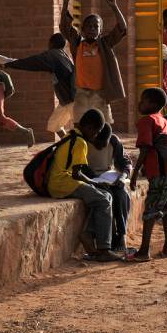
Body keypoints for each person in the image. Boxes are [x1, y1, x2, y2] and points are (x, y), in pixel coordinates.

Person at [46, 108, 125, 262]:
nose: (95, 137)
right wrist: (95, 183)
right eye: (96, 133)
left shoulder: (71, 134)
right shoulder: (81, 142)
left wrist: (95, 185)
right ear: (89, 128)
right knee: (103, 200)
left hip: (60, 181)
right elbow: (77, 174)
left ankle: (88, 233)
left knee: (107, 195)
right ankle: (104, 248)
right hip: (63, 182)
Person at [60, 0, 128, 124]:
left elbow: (122, 27)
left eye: (95, 26)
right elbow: (65, 27)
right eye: (88, 26)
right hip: (81, 93)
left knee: (103, 126)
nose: (92, 28)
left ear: (100, 30)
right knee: (79, 125)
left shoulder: (105, 43)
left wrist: (114, 6)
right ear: (83, 30)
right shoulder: (77, 42)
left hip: (100, 94)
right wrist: (65, 3)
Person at [128, 88, 167, 261]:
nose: (139, 103)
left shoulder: (147, 121)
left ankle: (143, 251)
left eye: (143, 100)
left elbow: (145, 149)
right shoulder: (163, 120)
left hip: (159, 172)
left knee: (151, 210)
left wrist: (134, 175)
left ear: (153, 104)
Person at [5, 33, 75, 139]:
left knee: (81, 127)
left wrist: (9, 64)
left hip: (72, 98)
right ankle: (68, 145)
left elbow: (32, 62)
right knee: (54, 124)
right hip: (65, 100)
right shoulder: (63, 55)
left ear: (51, 43)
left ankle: (80, 148)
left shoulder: (53, 55)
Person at [88, 122, 134, 253]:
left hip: (108, 176)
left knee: (121, 194)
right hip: (91, 178)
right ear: (93, 135)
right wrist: (95, 180)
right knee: (109, 197)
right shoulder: (84, 141)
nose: (102, 146)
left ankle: (122, 235)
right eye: (99, 142)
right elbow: (80, 167)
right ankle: (111, 236)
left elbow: (125, 162)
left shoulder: (113, 140)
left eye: (105, 142)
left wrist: (122, 177)